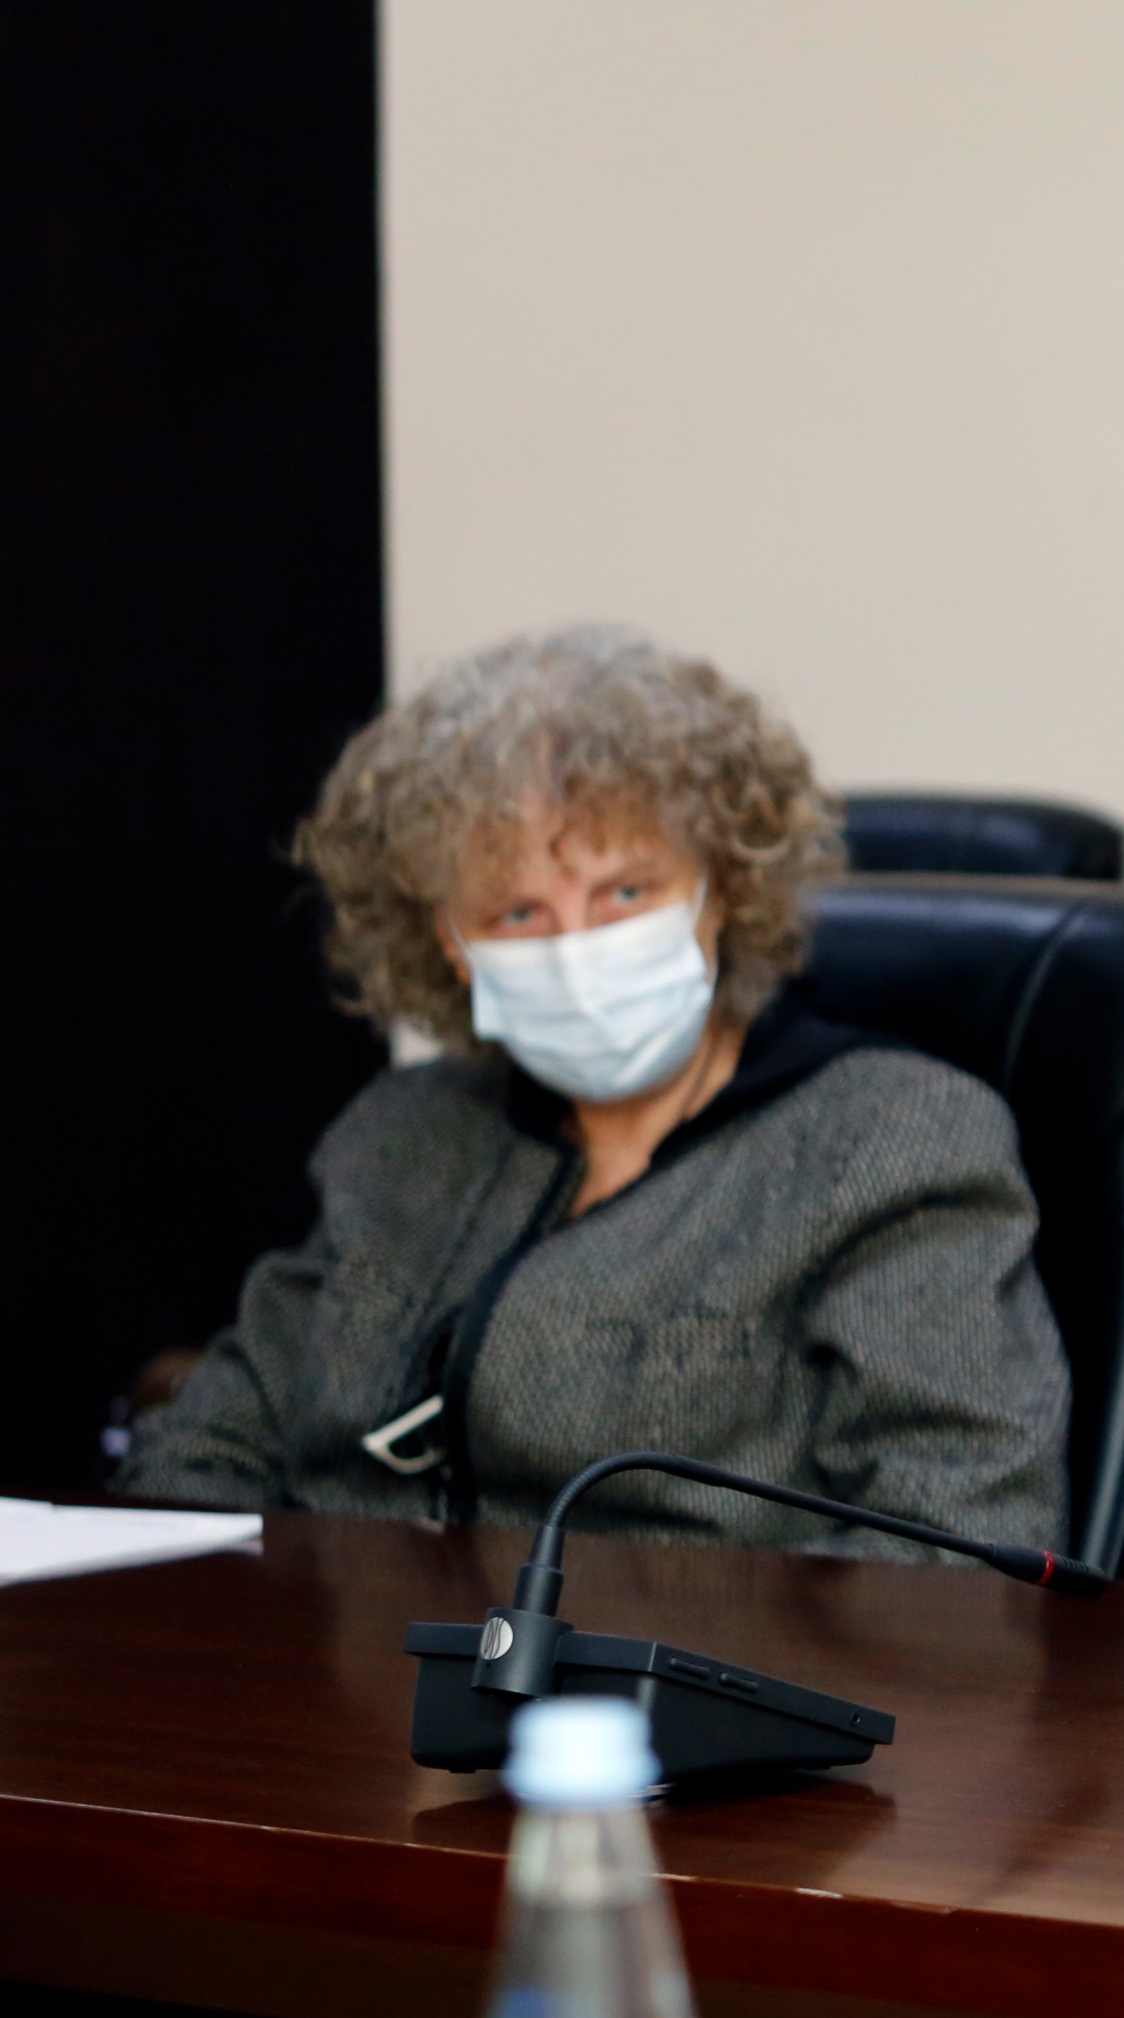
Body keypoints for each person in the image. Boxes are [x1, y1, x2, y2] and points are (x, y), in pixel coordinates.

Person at [120, 626, 1072, 1558]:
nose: (574, 947)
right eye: (518, 910)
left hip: (683, 1659)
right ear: (451, 941)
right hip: (333, 1650)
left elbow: (961, 1541)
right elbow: (210, 1443)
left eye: (624, 893)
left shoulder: (891, 1140)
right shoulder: (403, 1130)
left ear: (720, 891)